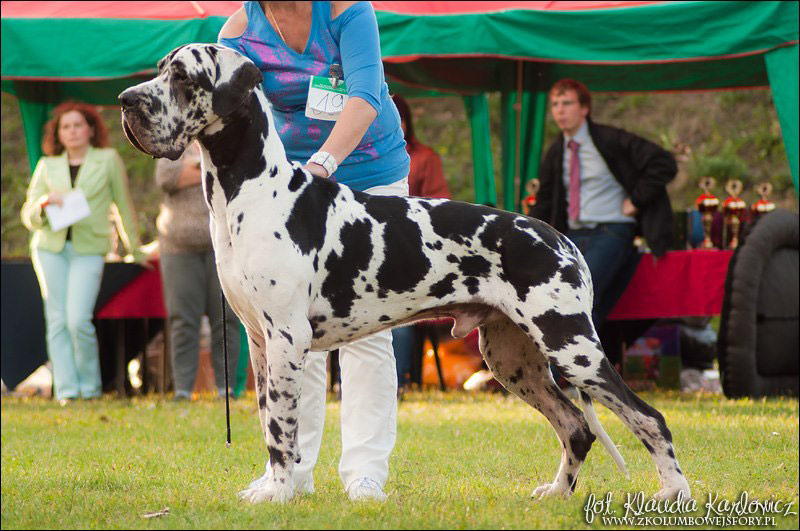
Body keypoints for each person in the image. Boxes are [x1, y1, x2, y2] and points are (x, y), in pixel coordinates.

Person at [218, 1, 410, 501]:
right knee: (288, 328)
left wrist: (324, 164)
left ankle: (365, 474)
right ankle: (290, 472)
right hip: (289, 184)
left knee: (367, 332)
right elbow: (226, 115)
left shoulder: (349, 11)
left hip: (371, 175)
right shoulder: (238, 31)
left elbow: (366, 94)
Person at [530, 79, 676, 360]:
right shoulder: (557, 151)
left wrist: (636, 200)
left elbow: (663, 162)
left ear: (584, 108)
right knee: (563, 299)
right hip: (571, 237)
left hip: (612, 231)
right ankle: (578, 373)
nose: (560, 111)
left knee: (580, 298)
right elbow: (545, 201)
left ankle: (581, 373)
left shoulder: (609, 140)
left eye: (568, 103)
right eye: (556, 105)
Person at [20, 101, 147, 404]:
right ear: (58, 134)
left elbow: (123, 205)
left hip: (89, 249)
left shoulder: (107, 160)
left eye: (78, 125)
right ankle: (66, 391)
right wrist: (42, 205)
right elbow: (28, 215)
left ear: (91, 129)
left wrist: (136, 251)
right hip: (50, 248)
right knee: (58, 320)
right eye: (66, 126)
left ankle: (89, 388)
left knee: (78, 319)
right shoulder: (47, 166)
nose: (73, 131)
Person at [153, 141, 240, 401]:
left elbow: (231, 176)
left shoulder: (223, 141)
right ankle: (182, 389)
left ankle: (226, 389)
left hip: (223, 246)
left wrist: (192, 168)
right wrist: (206, 169)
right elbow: (166, 178)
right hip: (177, 247)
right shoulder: (172, 144)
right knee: (182, 319)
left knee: (226, 319)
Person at [389, 94, 450, 391]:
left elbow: (440, 206)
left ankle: (399, 383)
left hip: (415, 251)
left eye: (398, 118)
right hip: (370, 250)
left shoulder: (425, 158)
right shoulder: (362, 159)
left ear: (406, 121)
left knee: (397, 314)